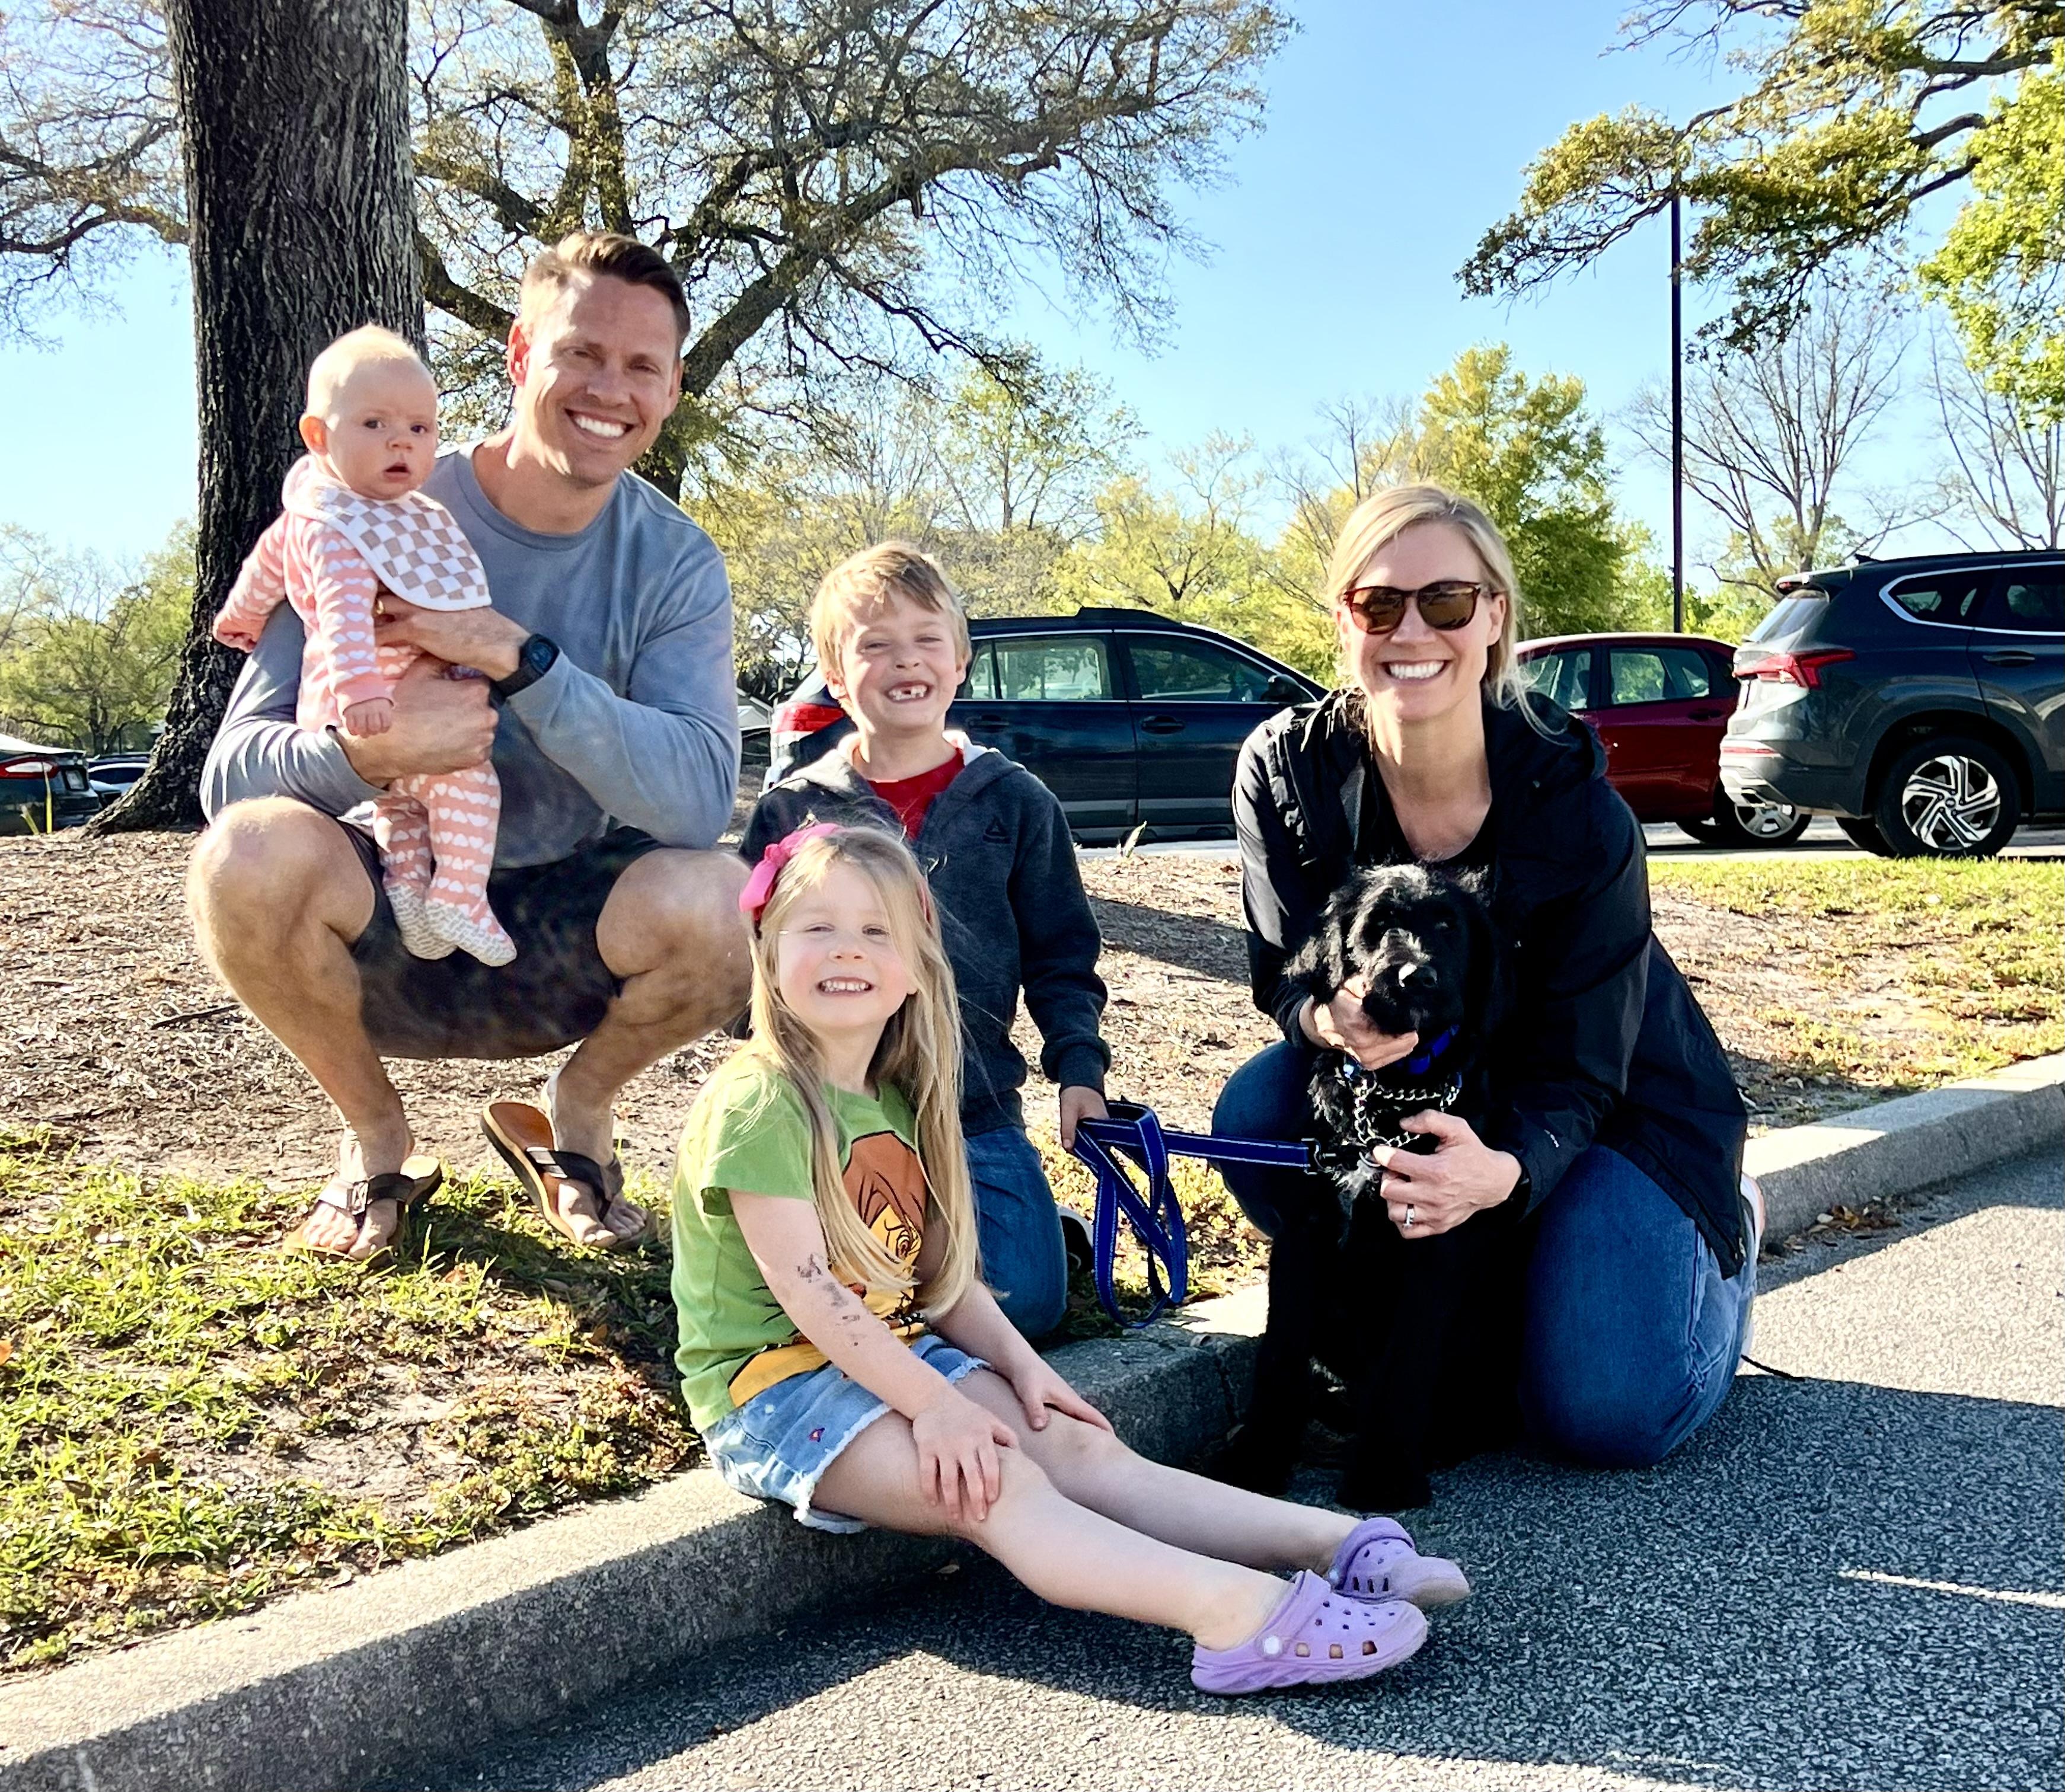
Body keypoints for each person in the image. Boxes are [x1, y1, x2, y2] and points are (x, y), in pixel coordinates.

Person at [671, 822, 1471, 1693]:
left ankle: (1333, 1543)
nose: (846, 951)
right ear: (765, 944)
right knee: (994, 1484)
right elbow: (808, 1287)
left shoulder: (901, 1093)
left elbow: (941, 1282)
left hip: (893, 1356)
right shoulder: (759, 1096)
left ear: (913, 961)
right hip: (777, 1389)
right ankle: (1238, 1615)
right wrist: (937, 1405)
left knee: (1081, 1448)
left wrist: (1021, 1370)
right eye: (815, 926)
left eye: (875, 930)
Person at [190, 231, 751, 1260]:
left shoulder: (674, 562)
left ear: (672, 391)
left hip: (559, 938)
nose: (608, 388)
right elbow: (228, 774)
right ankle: (375, 1139)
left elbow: (696, 799)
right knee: (247, 855)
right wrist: (369, 755)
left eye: (641, 367)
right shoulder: (358, 499)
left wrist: (521, 660)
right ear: (519, 353)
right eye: (580, 351)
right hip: (384, 916)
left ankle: (576, 1119)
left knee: (723, 905)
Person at [1212, 483, 1759, 1471]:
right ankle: (1471, 1314)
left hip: (1601, 1110)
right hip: (1424, 1085)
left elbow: (1587, 1066)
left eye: (1447, 602)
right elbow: (1281, 977)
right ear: (1345, 617)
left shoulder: (1578, 809)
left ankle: (1714, 1254)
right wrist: (1329, 1022)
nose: (1410, 629)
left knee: (1601, 1414)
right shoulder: (1284, 770)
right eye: (1379, 604)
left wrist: (1503, 1170)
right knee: (1257, 1107)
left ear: (1494, 615)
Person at [743, 544, 1107, 1337]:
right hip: (829, 1112)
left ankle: (1037, 1231)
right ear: (836, 676)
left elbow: (1061, 955)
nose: (903, 660)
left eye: (925, 639)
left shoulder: (1015, 801)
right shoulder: (792, 810)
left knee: (1028, 1303)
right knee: (821, 1301)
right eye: (874, 644)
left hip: (971, 1108)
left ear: (960, 659)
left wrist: (1078, 1067)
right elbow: (749, 959)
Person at [213, 325, 516, 967]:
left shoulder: (314, 514)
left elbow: (261, 574)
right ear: (319, 436)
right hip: (373, 704)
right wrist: (363, 697)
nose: (401, 442)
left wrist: (237, 620)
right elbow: (346, 615)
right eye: (374, 424)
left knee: (401, 813)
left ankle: (409, 891)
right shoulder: (342, 533)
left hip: (357, 710)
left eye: (420, 428)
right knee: (470, 787)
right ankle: (460, 894)